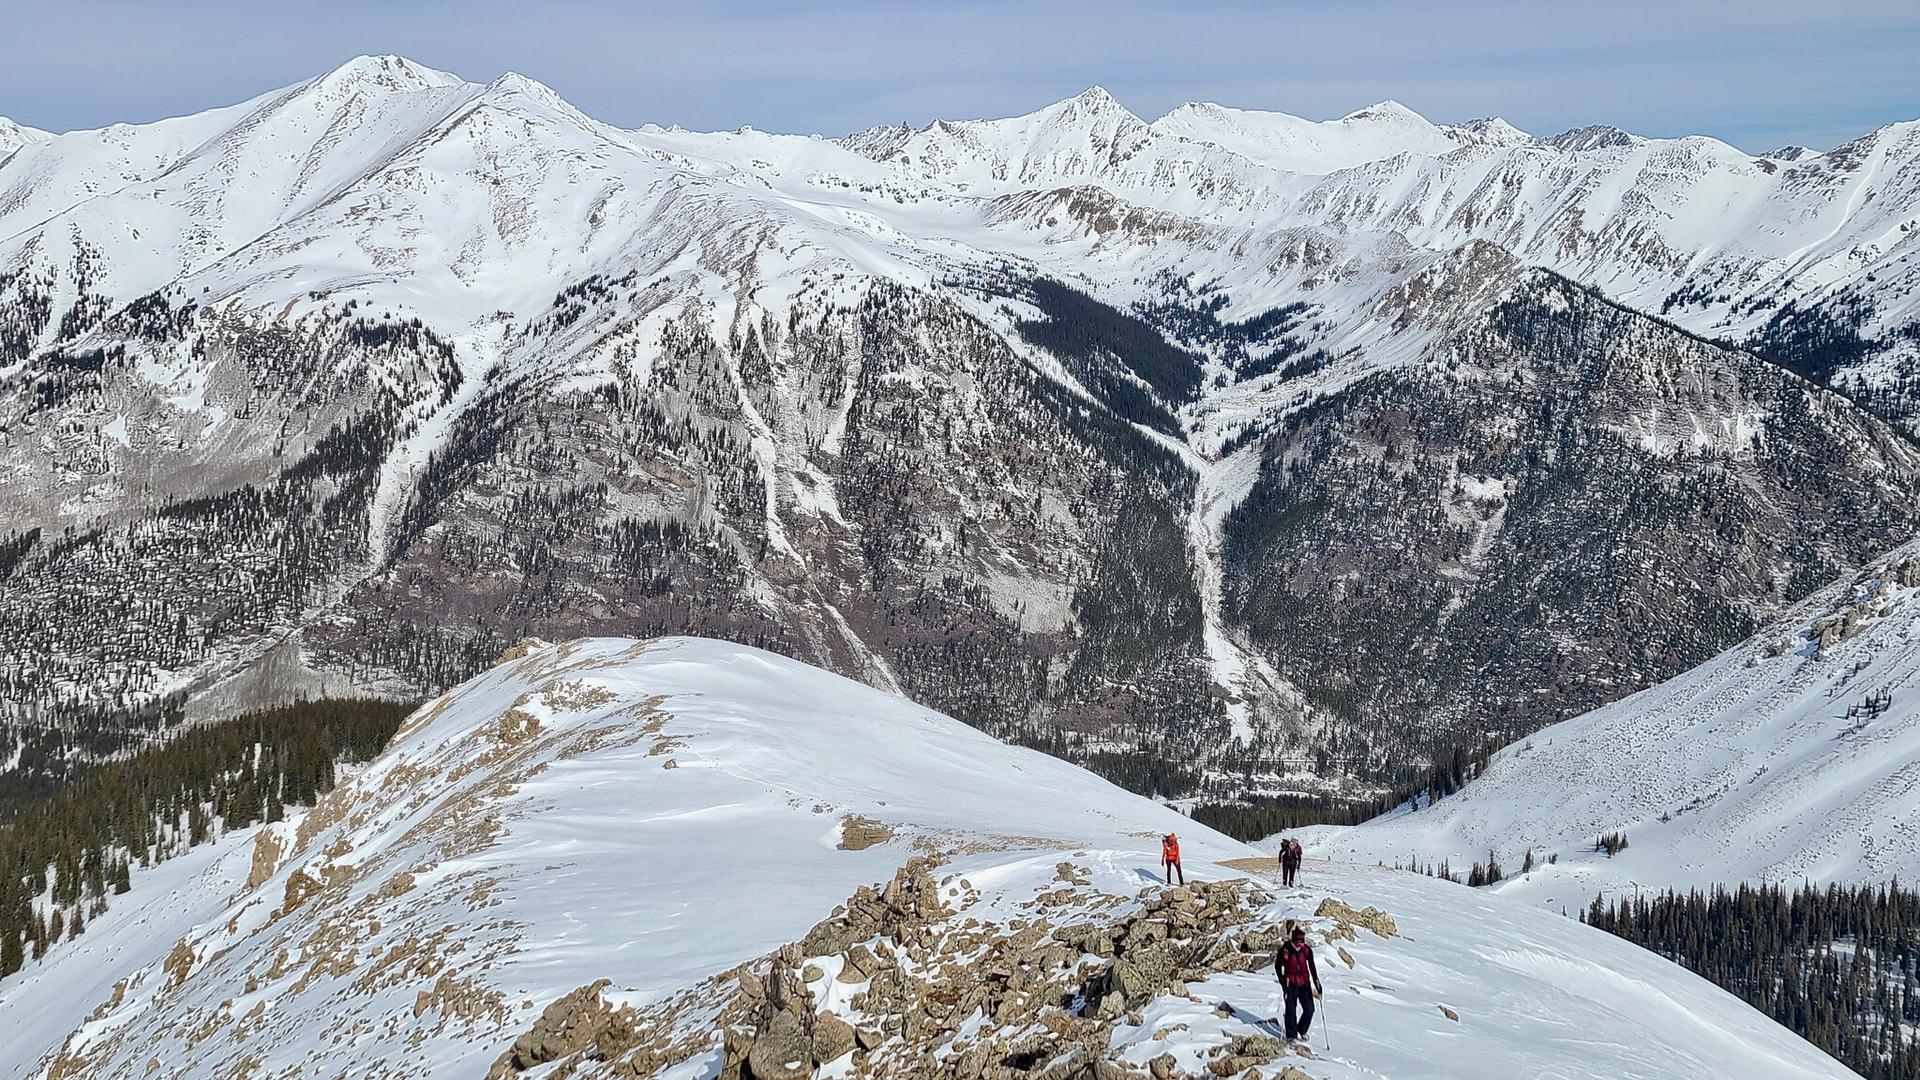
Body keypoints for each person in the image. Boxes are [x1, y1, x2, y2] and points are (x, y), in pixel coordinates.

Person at [1276, 925, 1322, 1041]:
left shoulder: (1306, 950)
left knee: (1309, 1009)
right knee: (1291, 1010)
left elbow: (1312, 966)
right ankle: (1291, 1036)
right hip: (1290, 983)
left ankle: (1301, 1029)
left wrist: (1317, 983)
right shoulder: (1285, 950)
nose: (1300, 945)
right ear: (1293, 940)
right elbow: (1277, 965)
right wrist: (1282, 980)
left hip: (1304, 983)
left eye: (1302, 942)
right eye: (1298, 943)